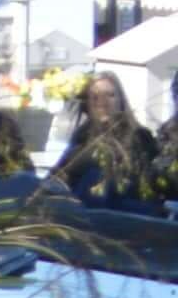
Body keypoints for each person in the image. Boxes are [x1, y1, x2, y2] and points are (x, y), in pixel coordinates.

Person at [58, 72, 162, 209]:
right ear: (88, 105)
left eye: (110, 95)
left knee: (96, 177)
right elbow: (59, 173)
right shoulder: (81, 135)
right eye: (95, 97)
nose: (103, 102)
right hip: (83, 208)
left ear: (121, 101)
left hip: (125, 209)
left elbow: (139, 181)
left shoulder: (139, 135)